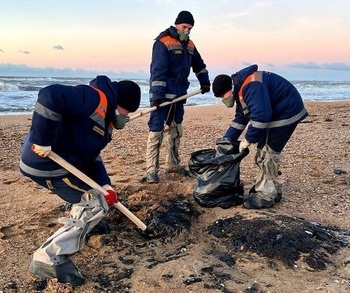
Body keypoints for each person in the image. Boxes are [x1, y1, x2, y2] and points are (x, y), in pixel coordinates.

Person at [19, 76, 141, 286]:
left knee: (100, 197)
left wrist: (105, 184)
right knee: (94, 203)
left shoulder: (106, 122)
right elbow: (49, 95)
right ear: (118, 103)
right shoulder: (92, 98)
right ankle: (47, 257)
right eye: (126, 112)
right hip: (46, 164)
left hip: (67, 164)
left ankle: (86, 223)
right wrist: (42, 140)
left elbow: (92, 156)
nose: (126, 118)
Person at [212, 64, 308, 209]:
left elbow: (261, 117)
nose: (223, 99)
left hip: (286, 112)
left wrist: (247, 140)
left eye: (222, 96)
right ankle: (271, 187)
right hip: (278, 111)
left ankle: (265, 195)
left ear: (229, 89)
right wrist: (227, 140)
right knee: (264, 149)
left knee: (267, 152)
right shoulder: (241, 90)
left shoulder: (251, 86)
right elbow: (241, 118)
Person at [146, 10, 211, 183]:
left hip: (180, 96)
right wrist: (158, 96)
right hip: (162, 96)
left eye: (190, 28)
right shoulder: (163, 42)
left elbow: (199, 64)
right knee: (156, 131)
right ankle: (151, 170)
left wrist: (204, 81)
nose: (187, 31)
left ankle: (172, 164)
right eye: (184, 27)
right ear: (177, 24)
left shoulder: (190, 45)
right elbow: (158, 71)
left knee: (176, 130)